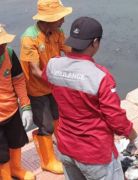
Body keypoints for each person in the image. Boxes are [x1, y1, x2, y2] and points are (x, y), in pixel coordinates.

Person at [41, 16, 138, 180]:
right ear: (95, 42)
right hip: (94, 154)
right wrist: (132, 136)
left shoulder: (53, 65)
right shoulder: (101, 76)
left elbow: (47, 80)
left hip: (65, 147)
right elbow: (115, 117)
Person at [19, 0, 72, 174]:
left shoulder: (58, 32)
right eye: (59, 18)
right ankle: (47, 160)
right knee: (45, 125)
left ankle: (63, 144)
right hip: (37, 89)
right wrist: (59, 79)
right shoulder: (30, 37)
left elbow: (68, 51)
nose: (63, 21)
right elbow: (34, 70)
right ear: (47, 19)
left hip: (54, 83)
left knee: (59, 116)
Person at [0, 26, 35, 180]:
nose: (2, 47)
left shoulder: (9, 53)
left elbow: (19, 80)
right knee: (1, 153)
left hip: (12, 111)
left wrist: (26, 106)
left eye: (4, 43)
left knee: (16, 142)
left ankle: (16, 168)